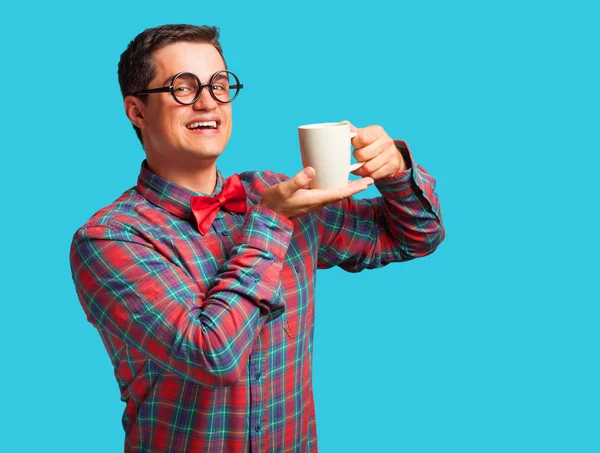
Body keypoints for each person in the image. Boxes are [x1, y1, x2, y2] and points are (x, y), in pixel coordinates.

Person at [69, 23, 445, 453]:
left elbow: (417, 235)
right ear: (136, 111)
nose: (208, 101)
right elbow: (213, 356)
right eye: (183, 88)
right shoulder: (108, 240)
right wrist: (271, 221)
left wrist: (393, 170)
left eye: (218, 84)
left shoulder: (279, 194)